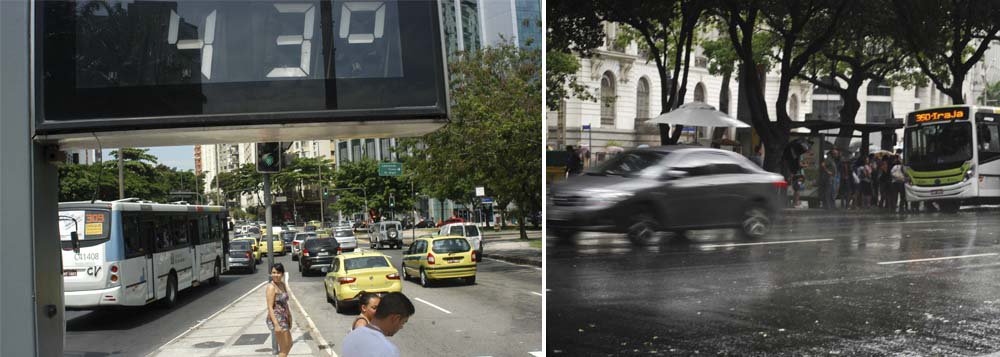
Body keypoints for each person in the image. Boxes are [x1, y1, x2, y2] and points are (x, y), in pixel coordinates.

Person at [342, 292, 416, 357]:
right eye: (403, 322)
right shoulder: (389, 351)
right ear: (396, 318)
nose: (401, 327)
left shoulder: (351, 336)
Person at [265, 263, 293, 357]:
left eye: (278, 273)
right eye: (273, 272)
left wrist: (289, 316)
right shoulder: (271, 287)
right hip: (277, 318)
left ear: (282, 274)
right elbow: (269, 307)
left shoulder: (282, 284)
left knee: (289, 344)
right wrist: (276, 325)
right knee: (284, 348)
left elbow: (285, 303)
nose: (275, 275)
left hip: (284, 317)